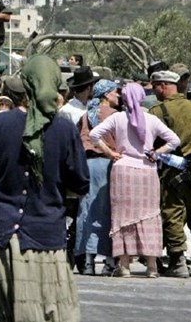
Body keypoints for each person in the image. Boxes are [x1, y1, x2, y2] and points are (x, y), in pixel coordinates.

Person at [0, 55, 89, 322]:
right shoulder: (63, 128)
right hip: (45, 234)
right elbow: (81, 181)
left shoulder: (2, 122)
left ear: (26, 84)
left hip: (0, 233)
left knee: (8, 313)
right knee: (53, 312)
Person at [90, 82, 181, 278]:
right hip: (147, 171)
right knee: (149, 216)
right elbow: (174, 140)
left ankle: (124, 266)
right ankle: (152, 267)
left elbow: (94, 134)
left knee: (123, 219)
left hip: (122, 170)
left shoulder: (117, 118)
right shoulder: (151, 119)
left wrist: (110, 152)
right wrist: (157, 152)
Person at [148, 69, 191, 278]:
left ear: (163, 86)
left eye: (155, 87)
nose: (154, 92)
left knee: (173, 213)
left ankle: (178, 261)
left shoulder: (157, 111)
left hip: (171, 171)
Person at [74, 79, 119, 276]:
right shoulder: (115, 116)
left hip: (86, 164)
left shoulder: (85, 116)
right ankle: (109, 259)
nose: (118, 95)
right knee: (109, 211)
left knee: (86, 211)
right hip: (107, 164)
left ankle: (88, 260)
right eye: (115, 92)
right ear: (106, 95)